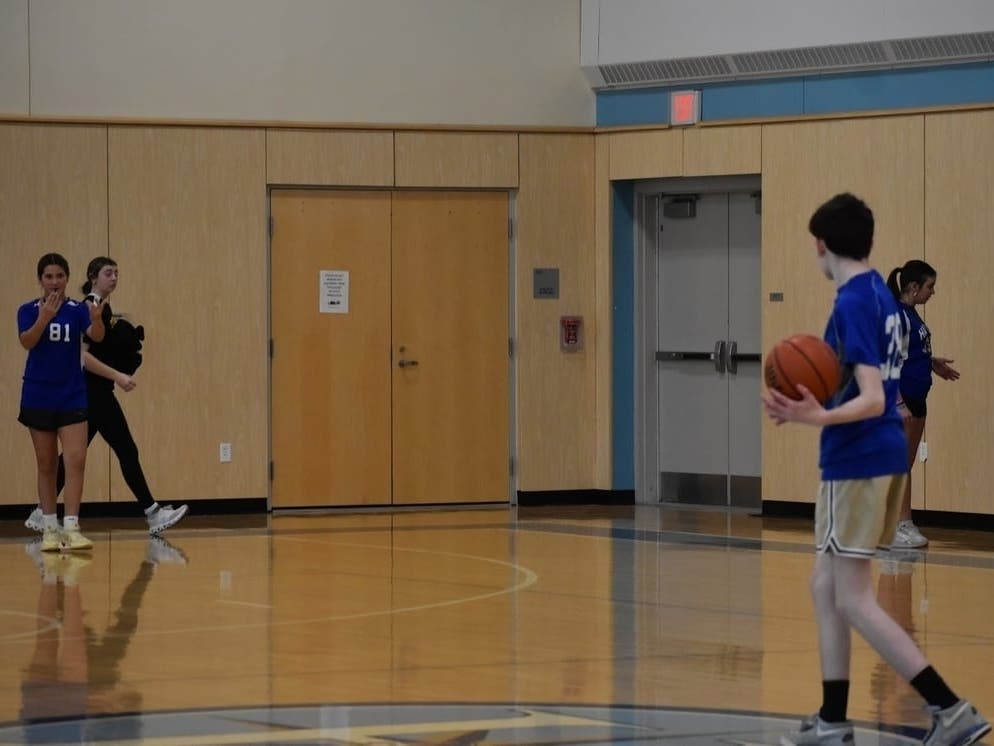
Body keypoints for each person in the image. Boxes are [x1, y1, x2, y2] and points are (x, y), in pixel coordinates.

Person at [762, 194, 989, 746]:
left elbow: (869, 396)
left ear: (821, 244)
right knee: (825, 585)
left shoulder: (855, 302)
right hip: (873, 455)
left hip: (858, 458)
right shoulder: (884, 301)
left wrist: (814, 413)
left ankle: (949, 706)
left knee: (852, 597)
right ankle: (833, 718)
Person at [24, 257, 187, 536]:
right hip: (90, 391)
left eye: (116, 273)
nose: (114, 278)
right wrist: (118, 376)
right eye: (108, 273)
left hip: (97, 391)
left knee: (74, 456)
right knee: (125, 449)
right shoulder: (88, 306)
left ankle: (42, 511)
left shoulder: (102, 309)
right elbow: (81, 356)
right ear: (92, 277)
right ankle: (153, 512)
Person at [18, 253, 105, 552]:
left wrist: (96, 320)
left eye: (60, 276)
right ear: (40, 280)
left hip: (72, 394)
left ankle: (72, 527)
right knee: (46, 463)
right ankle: (50, 529)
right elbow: (27, 341)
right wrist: (44, 318)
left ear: (68, 278)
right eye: (48, 276)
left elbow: (96, 336)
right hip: (39, 395)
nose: (54, 282)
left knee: (75, 459)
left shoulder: (77, 309)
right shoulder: (27, 310)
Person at [885, 260, 959, 549]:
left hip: (918, 398)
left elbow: (910, 353)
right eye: (930, 286)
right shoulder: (896, 316)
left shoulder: (912, 315)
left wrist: (931, 362)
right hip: (902, 400)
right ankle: (894, 526)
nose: (933, 292)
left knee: (904, 465)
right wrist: (898, 403)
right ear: (913, 288)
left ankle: (901, 523)